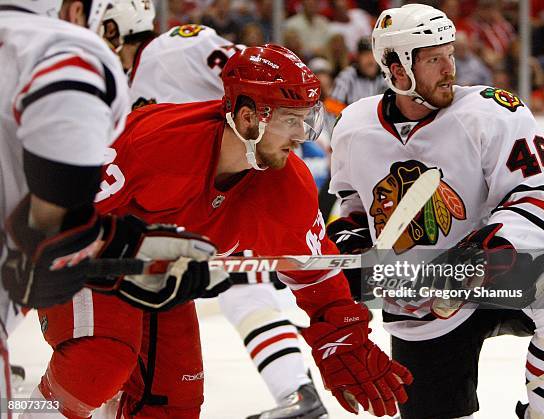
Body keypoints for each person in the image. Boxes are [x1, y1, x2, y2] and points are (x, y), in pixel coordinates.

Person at [36, 43, 413, 418]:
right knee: (100, 359)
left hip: (161, 284)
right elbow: (54, 215)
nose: (302, 135)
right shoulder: (153, 143)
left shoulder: (288, 185)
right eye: (290, 120)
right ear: (249, 117)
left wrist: (343, 334)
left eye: (307, 119)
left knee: (173, 403)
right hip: (90, 261)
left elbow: (316, 273)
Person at [328, 4, 544, 419]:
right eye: (434, 59)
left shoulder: (491, 111)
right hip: (418, 301)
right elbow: (353, 205)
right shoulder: (353, 127)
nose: (449, 68)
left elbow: (534, 191)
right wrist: (353, 247)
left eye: (449, 53)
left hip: (489, 275)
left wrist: (487, 250)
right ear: (397, 68)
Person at [100, 3, 332, 417]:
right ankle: (298, 391)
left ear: (114, 28)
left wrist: (280, 129)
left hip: (240, 180)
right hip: (174, 212)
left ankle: (298, 390)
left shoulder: (174, 47)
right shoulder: (116, 84)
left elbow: (261, 76)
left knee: (247, 283)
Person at [0, 1, 223, 417]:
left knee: (165, 394)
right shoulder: (69, 58)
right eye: (125, 40)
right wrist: (118, 244)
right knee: (97, 360)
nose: (126, 54)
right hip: (104, 232)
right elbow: (52, 217)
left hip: (118, 236)